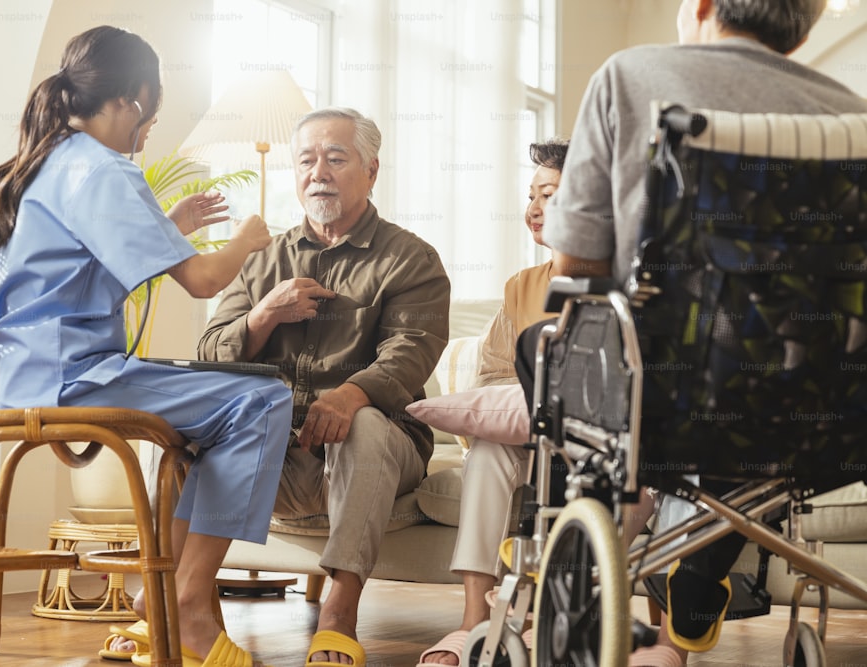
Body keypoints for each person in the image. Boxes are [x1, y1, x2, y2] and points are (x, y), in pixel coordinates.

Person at [529, 1, 867, 665]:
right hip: (824, 408)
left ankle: (608, 539)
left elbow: (576, 263)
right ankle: (702, 570)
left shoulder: (630, 76)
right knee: (753, 395)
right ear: (803, 25)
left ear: (706, 6)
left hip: (661, 389)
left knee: (549, 343)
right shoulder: (853, 119)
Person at [0, 25, 292, 667]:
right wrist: (248, 238)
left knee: (224, 412)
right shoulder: (102, 168)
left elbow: (86, 263)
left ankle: (164, 598)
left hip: (19, 372)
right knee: (263, 400)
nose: (148, 130)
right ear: (130, 98)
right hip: (72, 374)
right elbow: (203, 279)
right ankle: (191, 607)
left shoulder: (49, 159)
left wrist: (170, 226)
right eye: (150, 113)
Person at [197, 106, 451, 666]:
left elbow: (412, 352)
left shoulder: (412, 259)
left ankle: (338, 614)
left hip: (375, 452)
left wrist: (351, 393)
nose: (320, 172)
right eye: (307, 160)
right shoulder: (261, 260)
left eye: (336, 159)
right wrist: (262, 316)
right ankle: (185, 610)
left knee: (361, 420)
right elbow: (211, 349)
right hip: (277, 460)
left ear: (371, 170)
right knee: (182, 419)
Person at [415, 138, 567, 666]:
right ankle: (474, 621)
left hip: (599, 448)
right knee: (487, 452)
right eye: (531, 196)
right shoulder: (522, 287)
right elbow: (494, 376)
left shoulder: (626, 285)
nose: (533, 209)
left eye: (548, 194)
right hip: (530, 443)